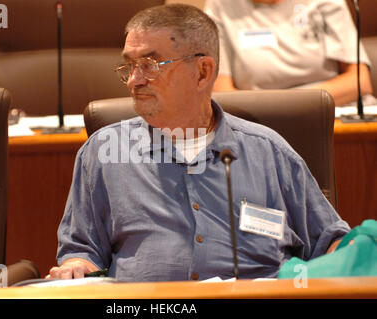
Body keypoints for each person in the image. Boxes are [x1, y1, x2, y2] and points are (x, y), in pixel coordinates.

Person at [47, 4, 350, 282]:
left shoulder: (268, 151)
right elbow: (82, 250)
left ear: (203, 72)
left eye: (151, 65)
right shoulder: (103, 151)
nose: (133, 81)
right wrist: (76, 265)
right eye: (129, 66)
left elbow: (331, 242)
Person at [204, 0, 375, 106]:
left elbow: (359, 81)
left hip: (334, 111)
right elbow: (223, 95)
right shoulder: (221, 6)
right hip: (261, 122)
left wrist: (289, 106)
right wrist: (282, 110)